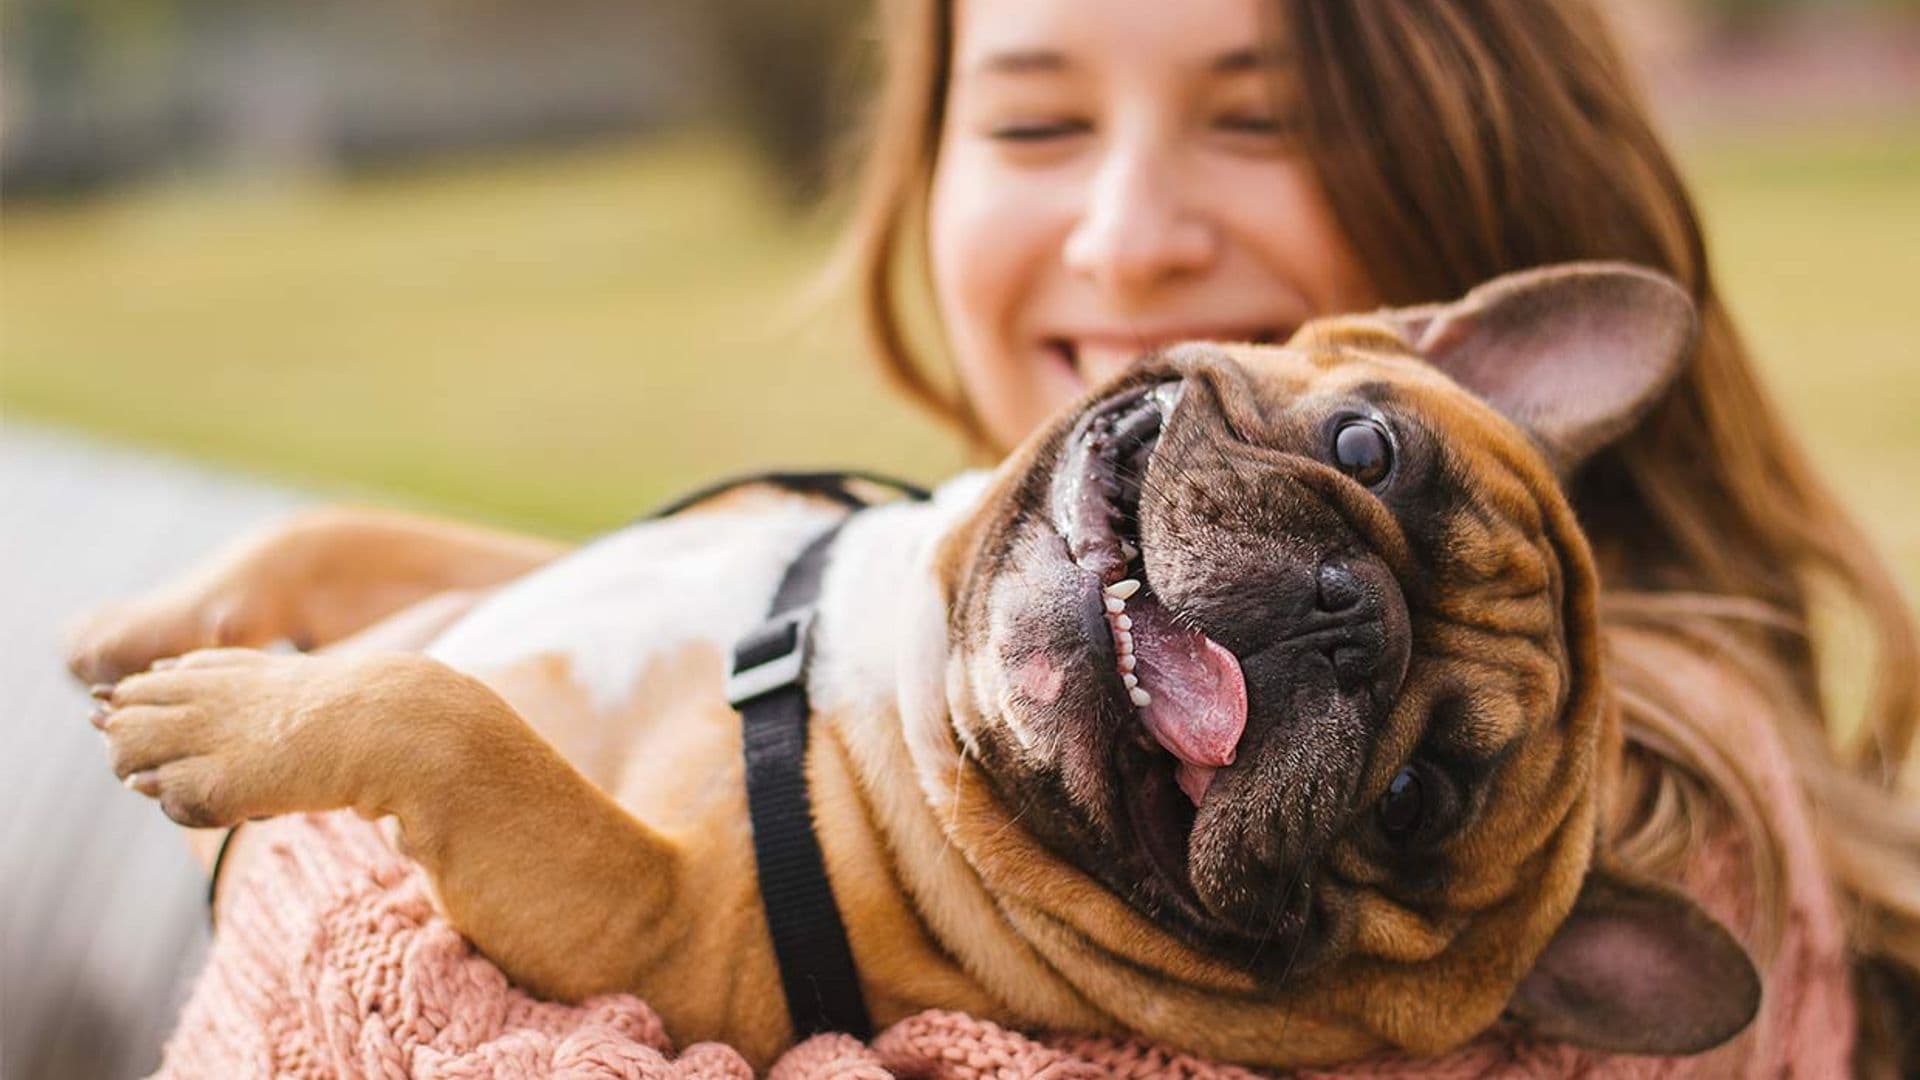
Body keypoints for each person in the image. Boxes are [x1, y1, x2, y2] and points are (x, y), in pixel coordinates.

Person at [75, 0, 1919, 1073]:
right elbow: (653, 633)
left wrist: (314, 850)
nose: (1127, 237)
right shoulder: (954, 592)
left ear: (1474, 177)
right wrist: (358, 582)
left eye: (1254, 121)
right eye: (1034, 116)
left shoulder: (1671, 813)